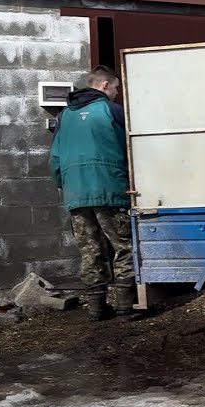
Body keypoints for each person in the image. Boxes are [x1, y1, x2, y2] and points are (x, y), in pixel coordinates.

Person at [48, 65, 134, 320]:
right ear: (105, 85)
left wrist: (66, 185)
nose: (118, 93)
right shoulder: (112, 111)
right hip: (111, 190)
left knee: (90, 249)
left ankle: (96, 308)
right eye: (117, 87)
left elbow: (54, 158)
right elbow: (131, 149)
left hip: (76, 194)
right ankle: (125, 307)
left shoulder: (64, 116)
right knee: (124, 247)